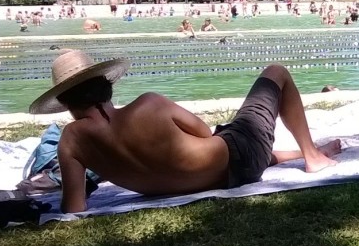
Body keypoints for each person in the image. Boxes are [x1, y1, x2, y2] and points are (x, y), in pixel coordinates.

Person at [29, 50, 341, 213]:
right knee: (276, 73)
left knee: (234, 146)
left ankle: (304, 151)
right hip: (238, 159)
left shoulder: (71, 140)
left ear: (66, 104)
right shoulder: (148, 105)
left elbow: (73, 207)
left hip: (221, 169)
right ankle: (312, 156)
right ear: (106, 85)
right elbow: (205, 134)